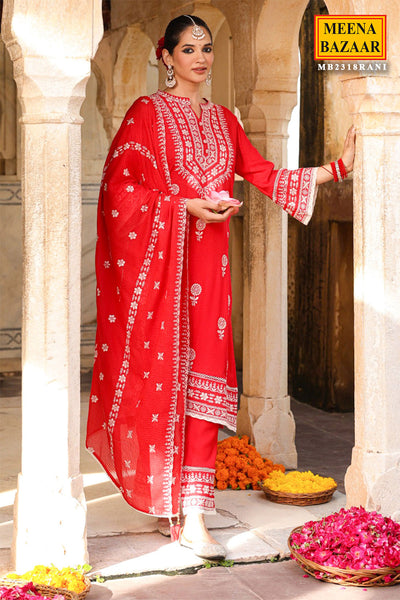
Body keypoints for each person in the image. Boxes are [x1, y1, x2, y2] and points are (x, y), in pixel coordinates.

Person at [86, 14, 356, 560]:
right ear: (167, 58)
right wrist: (182, 205)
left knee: (208, 386)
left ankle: (194, 517)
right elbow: (119, 191)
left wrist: (338, 166)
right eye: (189, 49)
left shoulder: (225, 122)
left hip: (209, 276)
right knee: (163, 380)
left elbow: (265, 176)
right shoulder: (146, 115)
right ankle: (170, 503)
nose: (202, 58)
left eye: (207, 48)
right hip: (160, 276)